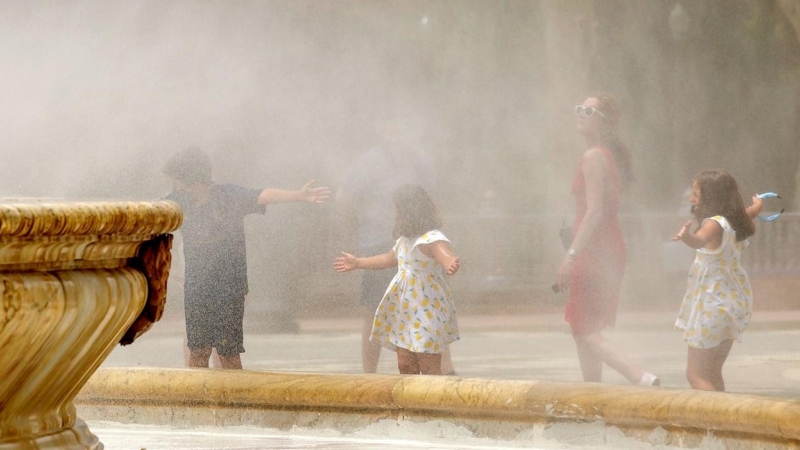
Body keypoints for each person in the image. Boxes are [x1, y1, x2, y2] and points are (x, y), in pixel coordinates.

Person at [162, 147, 330, 370]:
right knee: (198, 349)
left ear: (191, 179)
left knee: (228, 351)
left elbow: (261, 195)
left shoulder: (228, 197)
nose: (175, 187)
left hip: (229, 287)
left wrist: (298, 195)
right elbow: (151, 213)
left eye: (177, 182)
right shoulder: (179, 201)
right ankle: (197, 402)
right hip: (197, 287)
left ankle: (233, 402)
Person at [335, 118, 456, 375]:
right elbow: (344, 196)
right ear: (383, 133)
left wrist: (442, 244)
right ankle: (369, 373)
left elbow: (434, 196)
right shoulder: (369, 161)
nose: (398, 136)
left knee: (430, 311)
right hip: (377, 239)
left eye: (402, 130)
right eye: (392, 130)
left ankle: (446, 368)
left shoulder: (418, 160)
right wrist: (354, 240)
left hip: (419, 246)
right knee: (374, 308)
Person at [555, 94, 660, 386]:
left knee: (584, 330)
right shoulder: (605, 155)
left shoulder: (593, 157)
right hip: (606, 247)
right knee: (584, 327)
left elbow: (594, 212)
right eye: (579, 108)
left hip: (593, 250)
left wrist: (571, 255)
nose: (580, 113)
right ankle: (593, 396)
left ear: (605, 121)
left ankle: (641, 378)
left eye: (589, 111)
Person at [671, 169, 763, 391]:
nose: (692, 198)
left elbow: (699, 239)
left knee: (695, 374)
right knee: (712, 372)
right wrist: (758, 204)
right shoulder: (733, 220)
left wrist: (687, 237)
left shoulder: (713, 223)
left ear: (710, 197)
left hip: (711, 308)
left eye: (696, 193)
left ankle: (712, 424)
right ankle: (724, 422)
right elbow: (750, 212)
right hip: (730, 306)